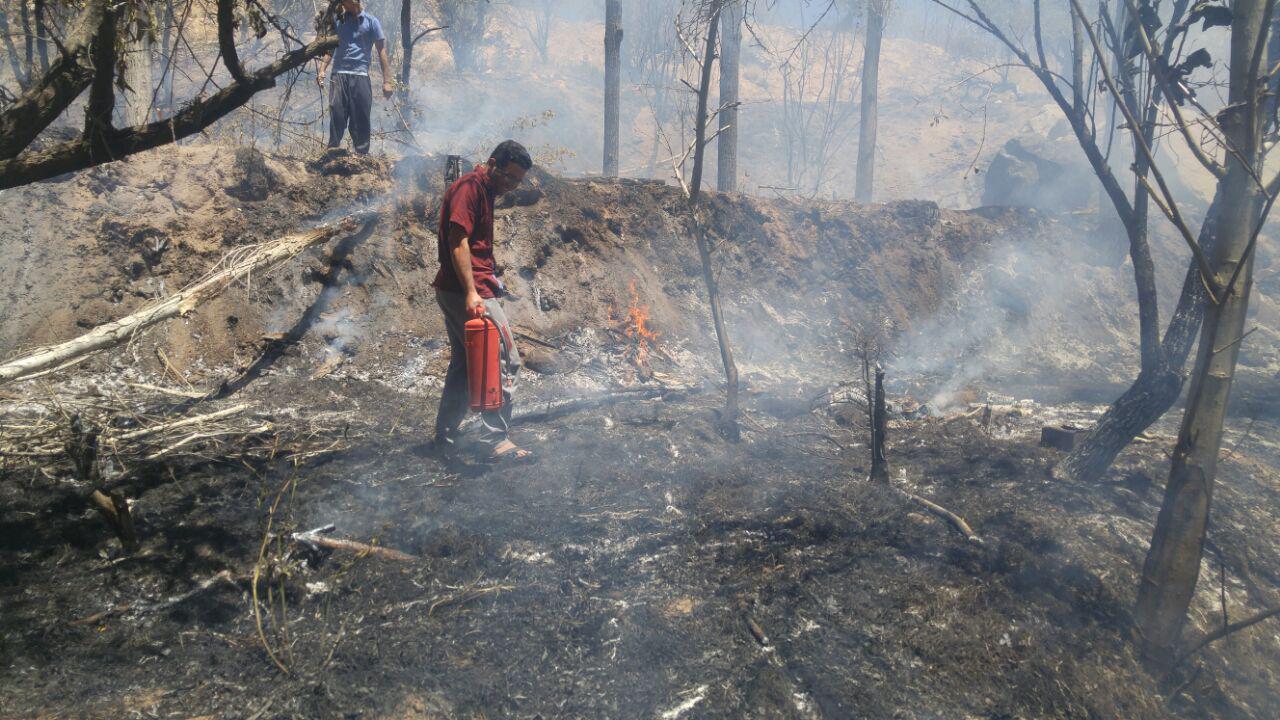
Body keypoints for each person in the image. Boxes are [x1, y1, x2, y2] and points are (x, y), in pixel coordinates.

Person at [433, 141, 535, 462]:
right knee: (505, 360)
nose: (511, 185)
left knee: (464, 364)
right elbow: (458, 240)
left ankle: (446, 432)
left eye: (517, 181)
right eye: (508, 177)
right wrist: (472, 292)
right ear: (492, 163)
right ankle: (496, 440)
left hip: (458, 287)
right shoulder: (470, 188)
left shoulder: (486, 191)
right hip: (468, 289)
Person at [316, 0, 394, 155]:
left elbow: (382, 52)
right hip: (339, 74)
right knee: (337, 112)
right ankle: (332, 152)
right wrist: (322, 69)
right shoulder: (338, 21)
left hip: (361, 76)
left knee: (361, 117)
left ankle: (361, 156)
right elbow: (331, 48)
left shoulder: (372, 22)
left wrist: (387, 81)